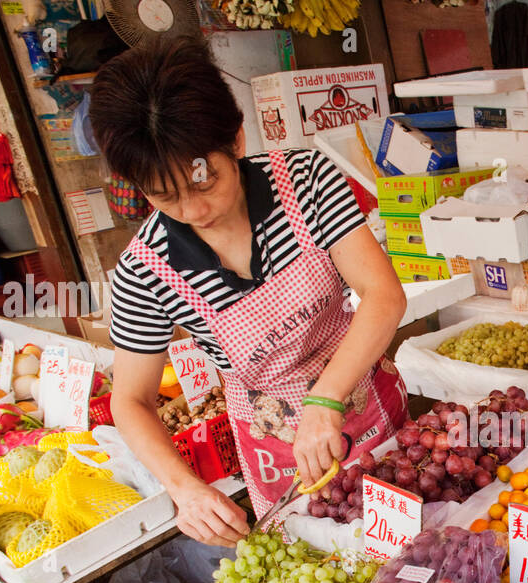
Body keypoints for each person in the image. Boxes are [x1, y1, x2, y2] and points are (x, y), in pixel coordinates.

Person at [90, 37, 408, 547]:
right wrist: (185, 490)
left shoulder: (307, 181)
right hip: (273, 454)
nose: (194, 211)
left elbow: (383, 295)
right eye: (165, 196)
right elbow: (130, 400)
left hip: (368, 409)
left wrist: (325, 397)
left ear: (236, 140)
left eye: (205, 183)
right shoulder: (143, 272)